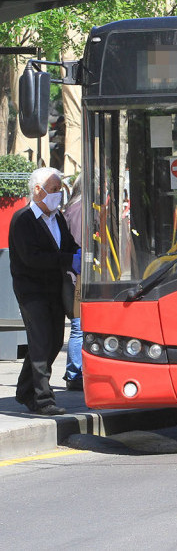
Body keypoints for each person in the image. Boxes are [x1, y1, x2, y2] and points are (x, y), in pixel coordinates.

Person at [9, 167, 81, 415]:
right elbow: (31, 258)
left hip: (54, 289)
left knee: (51, 343)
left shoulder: (58, 218)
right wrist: (67, 260)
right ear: (37, 191)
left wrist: (77, 255)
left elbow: (69, 245)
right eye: (54, 190)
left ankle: (24, 390)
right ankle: (43, 399)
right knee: (40, 343)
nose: (58, 195)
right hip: (31, 291)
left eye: (60, 190)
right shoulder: (23, 219)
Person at [62, 176, 84, 390]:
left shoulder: (72, 208)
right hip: (77, 277)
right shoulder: (79, 210)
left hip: (74, 275)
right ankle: (75, 373)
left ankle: (75, 372)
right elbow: (78, 243)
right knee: (79, 325)